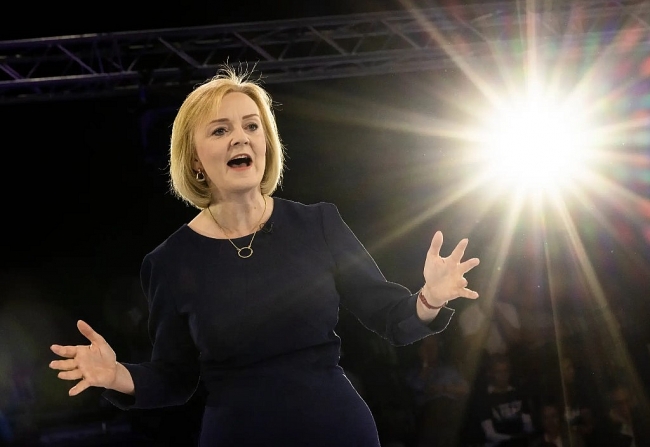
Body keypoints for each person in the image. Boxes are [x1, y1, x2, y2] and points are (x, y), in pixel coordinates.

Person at [48, 65, 481, 447]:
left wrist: (430, 297)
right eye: (220, 130)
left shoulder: (318, 223)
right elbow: (174, 378)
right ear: (195, 160)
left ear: (266, 142)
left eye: (251, 126)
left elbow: (390, 317)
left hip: (338, 429)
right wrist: (117, 376)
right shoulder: (169, 262)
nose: (241, 137)